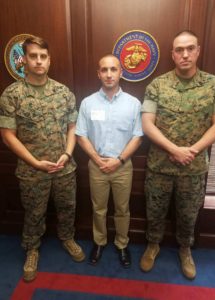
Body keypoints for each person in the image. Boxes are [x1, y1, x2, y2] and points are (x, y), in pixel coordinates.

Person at [140, 30, 215, 279]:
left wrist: (193, 150)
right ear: (172, 54)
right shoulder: (157, 85)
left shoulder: (213, 86)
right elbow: (147, 124)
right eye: (179, 50)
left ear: (198, 51)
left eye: (190, 48)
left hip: (193, 167)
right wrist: (174, 149)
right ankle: (152, 244)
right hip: (160, 167)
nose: (185, 54)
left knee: (189, 214)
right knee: (154, 211)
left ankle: (185, 249)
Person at [0, 36, 85, 283]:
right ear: (24, 60)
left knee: (67, 207)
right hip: (31, 170)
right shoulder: (12, 94)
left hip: (64, 167)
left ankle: (67, 238)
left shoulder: (63, 92)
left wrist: (67, 154)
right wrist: (34, 162)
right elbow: (7, 135)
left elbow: (73, 127)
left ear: (49, 60)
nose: (39, 61)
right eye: (33, 56)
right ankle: (32, 249)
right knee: (33, 212)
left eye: (43, 56)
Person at [75, 54, 142, 268]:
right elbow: (80, 135)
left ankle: (122, 244)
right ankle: (99, 242)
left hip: (123, 166)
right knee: (99, 208)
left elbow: (138, 136)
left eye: (114, 69)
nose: (109, 74)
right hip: (97, 165)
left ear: (121, 72)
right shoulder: (87, 103)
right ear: (99, 73)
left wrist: (119, 160)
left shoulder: (133, 104)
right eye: (104, 70)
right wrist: (97, 159)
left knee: (122, 209)